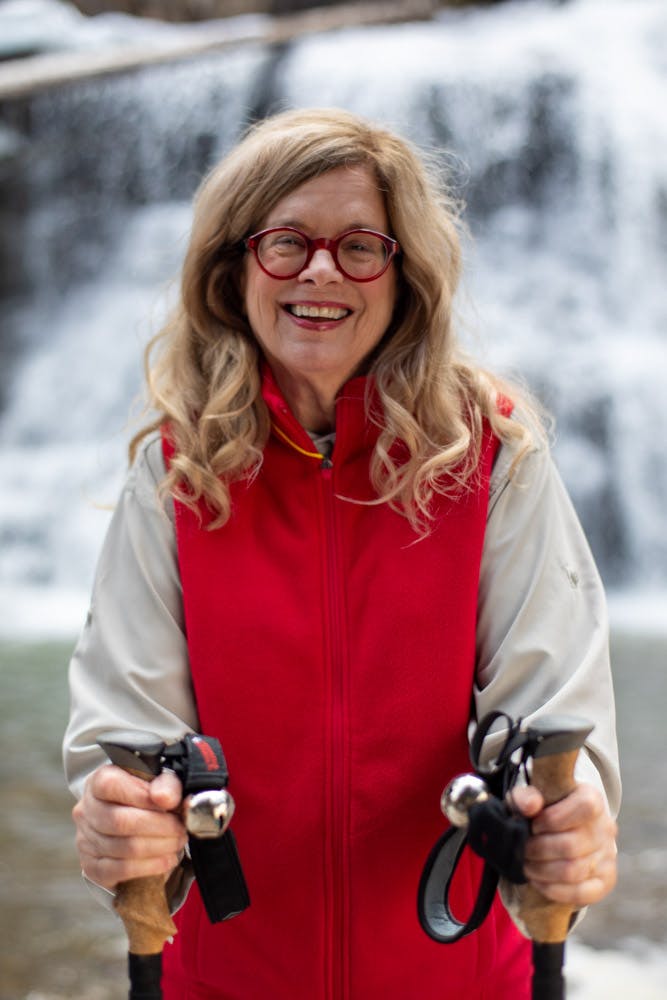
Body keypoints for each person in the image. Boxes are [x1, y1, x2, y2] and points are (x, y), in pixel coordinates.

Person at [64, 107, 620, 999]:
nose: (321, 270)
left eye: (360, 245)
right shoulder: (173, 477)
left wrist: (573, 814)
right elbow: (119, 740)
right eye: (286, 242)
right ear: (234, 268)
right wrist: (112, 814)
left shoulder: (496, 461)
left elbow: (556, 723)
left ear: (404, 277)